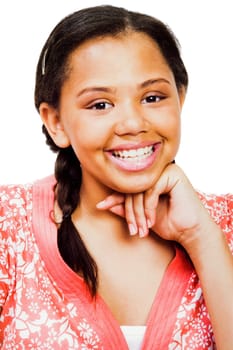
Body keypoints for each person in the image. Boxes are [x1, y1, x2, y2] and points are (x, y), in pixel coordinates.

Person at [0, 4, 232, 349]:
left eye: (152, 97)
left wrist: (202, 238)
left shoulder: (223, 225)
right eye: (100, 105)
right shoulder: (8, 225)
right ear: (56, 122)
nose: (133, 124)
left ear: (180, 99)